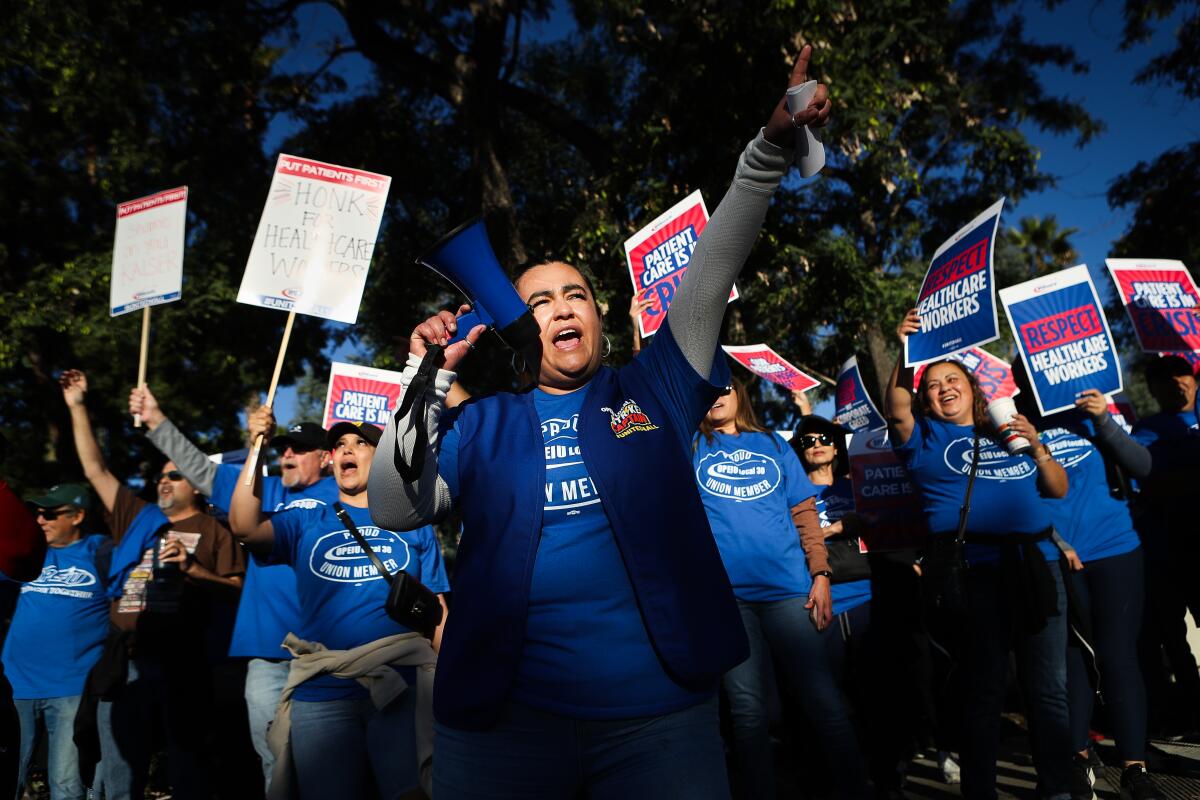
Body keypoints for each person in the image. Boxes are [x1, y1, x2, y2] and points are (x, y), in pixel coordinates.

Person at [370, 45, 832, 799]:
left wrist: (768, 147)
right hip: (502, 733)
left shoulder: (655, 386)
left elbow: (713, 267)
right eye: (541, 299)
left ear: (598, 318)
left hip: (659, 726)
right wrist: (426, 374)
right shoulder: (481, 424)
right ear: (518, 328)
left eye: (575, 293)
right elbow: (393, 507)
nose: (561, 307)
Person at [884, 310, 1074, 800]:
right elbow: (897, 405)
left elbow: (1056, 490)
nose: (944, 387)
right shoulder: (923, 438)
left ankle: (1057, 789)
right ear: (926, 398)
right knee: (984, 692)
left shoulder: (1005, 431)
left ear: (972, 387)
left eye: (953, 379)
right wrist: (906, 351)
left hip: (1036, 565)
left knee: (1048, 691)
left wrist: (1038, 449)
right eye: (933, 384)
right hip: (975, 573)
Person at [228, 420, 449, 799]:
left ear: (382, 460)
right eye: (340, 445)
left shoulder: (413, 523)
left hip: (402, 689)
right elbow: (244, 526)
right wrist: (257, 446)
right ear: (331, 461)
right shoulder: (305, 520)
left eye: (360, 444)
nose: (346, 450)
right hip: (322, 694)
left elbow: (438, 612)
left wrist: (452, 683)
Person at [130, 384, 337, 788]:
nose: (287, 455)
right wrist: (155, 418)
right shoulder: (261, 491)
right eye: (283, 449)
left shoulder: (346, 493)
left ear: (326, 458)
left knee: (324, 764)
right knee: (272, 759)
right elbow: (200, 470)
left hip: (326, 649)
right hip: (265, 650)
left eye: (298, 449)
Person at [62, 369, 245, 800]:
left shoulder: (216, 529)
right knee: (119, 774)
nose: (164, 481)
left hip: (185, 663)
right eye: (162, 475)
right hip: (125, 662)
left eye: (176, 475)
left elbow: (237, 589)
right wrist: (77, 407)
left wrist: (194, 572)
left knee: (188, 770)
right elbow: (94, 468)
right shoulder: (137, 515)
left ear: (198, 488)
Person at [693, 378, 867, 799]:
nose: (717, 397)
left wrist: (821, 575)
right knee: (749, 713)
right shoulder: (690, 445)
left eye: (725, 389)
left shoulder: (773, 444)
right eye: (708, 391)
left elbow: (805, 515)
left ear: (741, 396)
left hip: (789, 592)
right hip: (727, 601)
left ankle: (856, 790)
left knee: (823, 701)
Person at [1009, 367, 1161, 799]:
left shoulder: (1093, 409)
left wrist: (1102, 419)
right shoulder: (1017, 423)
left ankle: (1135, 768)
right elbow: (1019, 497)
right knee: (1072, 660)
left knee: (1116, 657)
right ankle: (1076, 760)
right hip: (1057, 559)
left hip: (1117, 550)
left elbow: (1143, 466)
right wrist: (1057, 541)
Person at [2, 484, 110, 800]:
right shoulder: (28, 554)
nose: (39, 520)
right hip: (15, 687)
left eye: (49, 514)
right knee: (7, 778)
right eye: (36, 513)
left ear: (77, 516)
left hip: (73, 690)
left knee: (67, 786)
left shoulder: (102, 551)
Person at [1130, 355, 1200, 737]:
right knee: (1171, 637)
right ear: (1153, 390)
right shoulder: (1146, 432)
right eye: (1166, 378)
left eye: (1184, 374)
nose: (1178, 383)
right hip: (1167, 552)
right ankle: (1189, 709)